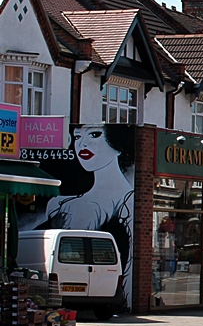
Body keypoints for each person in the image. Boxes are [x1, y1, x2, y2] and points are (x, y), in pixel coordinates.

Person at [35, 124, 134, 296]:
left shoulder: (127, 203)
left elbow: (131, 265)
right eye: (77, 137)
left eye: (94, 134)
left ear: (118, 143)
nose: (82, 144)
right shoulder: (58, 204)